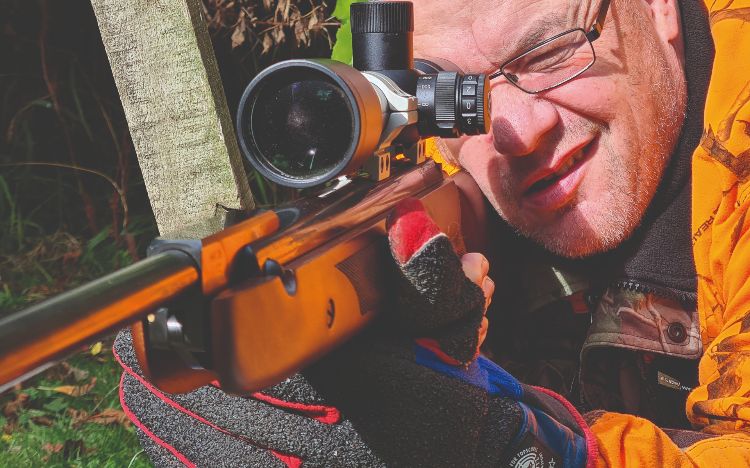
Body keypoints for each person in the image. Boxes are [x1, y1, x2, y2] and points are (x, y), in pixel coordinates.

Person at [113, 0, 750, 465]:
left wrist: (533, 451)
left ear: (659, 8)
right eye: (447, 93)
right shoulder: (435, 187)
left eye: (553, 50)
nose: (517, 131)